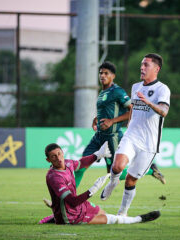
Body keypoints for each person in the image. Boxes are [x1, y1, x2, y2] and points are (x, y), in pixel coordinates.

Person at [74, 61, 166, 189]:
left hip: (112, 137)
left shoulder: (117, 91)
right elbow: (107, 112)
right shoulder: (102, 93)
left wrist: (112, 121)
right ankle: (67, 199)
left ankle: (151, 171)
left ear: (113, 76)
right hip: (99, 136)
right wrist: (97, 119)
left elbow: (131, 110)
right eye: (101, 73)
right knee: (80, 167)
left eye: (106, 73)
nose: (102, 76)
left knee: (113, 172)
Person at [100, 53, 170, 217]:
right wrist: (129, 123)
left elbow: (164, 111)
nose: (142, 67)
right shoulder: (135, 87)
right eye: (141, 64)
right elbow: (132, 109)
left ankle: (123, 212)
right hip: (132, 136)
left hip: (149, 144)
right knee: (117, 166)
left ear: (156, 68)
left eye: (146, 65)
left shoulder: (162, 89)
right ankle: (112, 183)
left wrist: (148, 102)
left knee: (131, 180)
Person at [43, 141, 161, 224]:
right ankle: (139, 219)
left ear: (62, 152)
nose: (58, 158)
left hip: (79, 206)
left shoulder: (67, 163)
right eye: (53, 157)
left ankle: (55, 215)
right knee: (111, 220)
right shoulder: (55, 178)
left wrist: (97, 155)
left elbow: (81, 163)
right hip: (70, 216)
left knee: (102, 213)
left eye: (59, 154)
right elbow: (72, 202)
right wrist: (92, 190)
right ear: (48, 160)